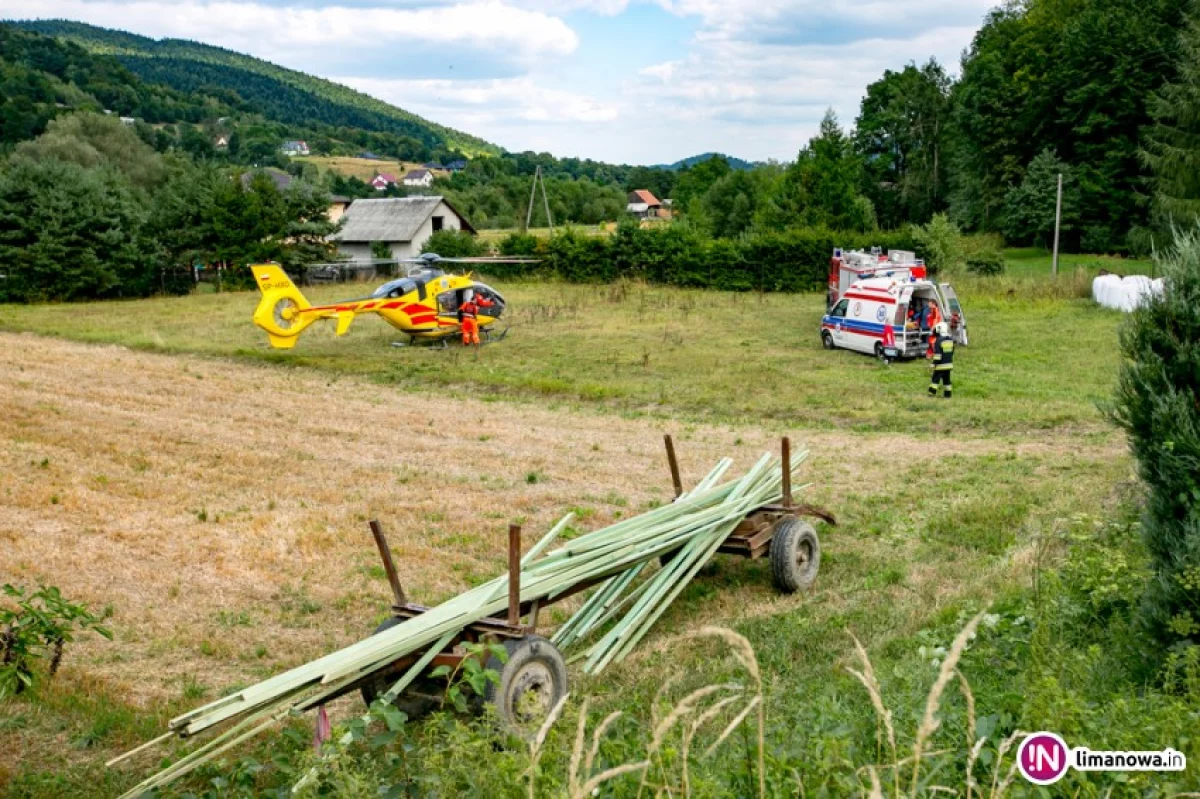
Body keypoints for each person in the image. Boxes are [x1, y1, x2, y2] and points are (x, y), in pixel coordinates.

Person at [928, 321, 954, 398]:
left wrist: (933, 364)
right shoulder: (950, 339)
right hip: (949, 365)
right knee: (947, 381)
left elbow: (938, 355)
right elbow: (952, 352)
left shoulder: (938, 340)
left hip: (940, 366)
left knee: (935, 379)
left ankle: (931, 393)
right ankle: (948, 394)